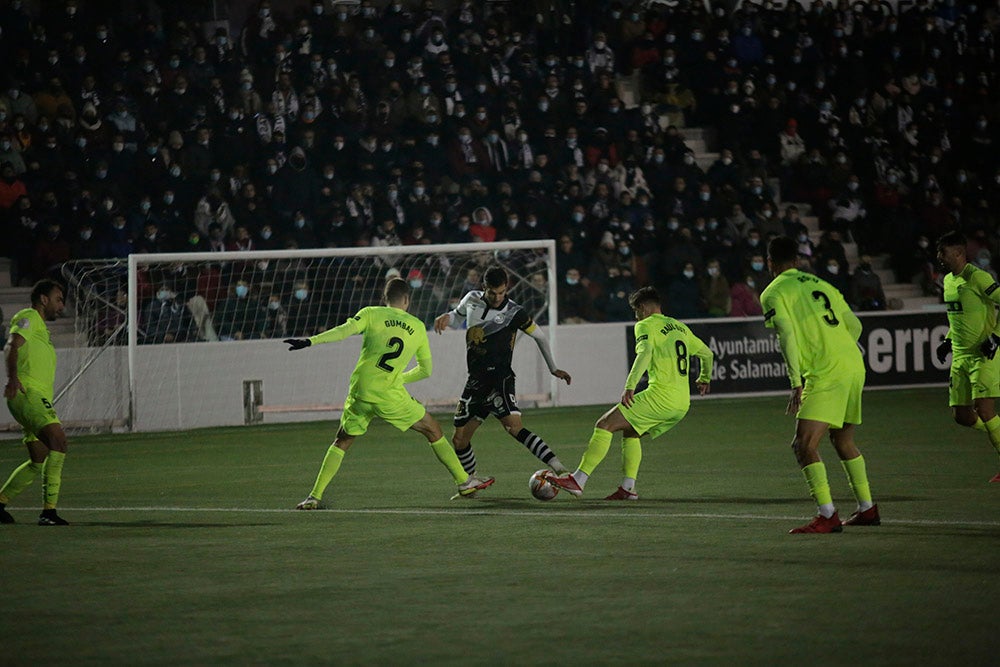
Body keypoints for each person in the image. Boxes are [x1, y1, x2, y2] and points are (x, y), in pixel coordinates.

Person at [286, 278, 494, 508]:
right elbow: (426, 370)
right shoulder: (415, 325)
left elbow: (343, 331)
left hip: (360, 390)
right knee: (433, 430)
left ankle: (314, 496)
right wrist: (399, 378)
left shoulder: (371, 313)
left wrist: (310, 341)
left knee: (342, 441)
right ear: (407, 300)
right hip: (389, 394)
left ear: (385, 298)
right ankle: (464, 482)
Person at [545, 286, 713, 500]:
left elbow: (644, 353)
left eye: (636, 311)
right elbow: (707, 353)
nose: (636, 317)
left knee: (604, 424)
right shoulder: (680, 328)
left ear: (642, 308)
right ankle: (627, 488)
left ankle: (578, 480)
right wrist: (705, 378)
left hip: (660, 397)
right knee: (631, 433)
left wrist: (630, 385)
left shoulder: (645, 325)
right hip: (681, 404)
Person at [760, 236, 879, 533]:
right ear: (797, 261)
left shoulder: (773, 292)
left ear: (770, 263)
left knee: (804, 444)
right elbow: (855, 326)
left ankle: (827, 515)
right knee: (843, 440)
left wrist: (795, 382)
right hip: (852, 364)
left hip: (825, 372)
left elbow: (786, 335)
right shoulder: (821, 284)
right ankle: (867, 509)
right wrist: (838, 349)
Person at [433, 266, 573, 479]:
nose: (498, 297)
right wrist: (446, 317)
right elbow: (457, 315)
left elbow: (541, 336)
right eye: (493, 293)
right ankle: (471, 481)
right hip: (476, 381)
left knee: (514, 428)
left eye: (502, 292)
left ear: (506, 288)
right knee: (460, 439)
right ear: (484, 288)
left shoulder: (515, 312)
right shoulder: (471, 299)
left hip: (500, 378)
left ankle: (560, 469)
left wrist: (553, 368)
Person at [0, 280, 70, 525]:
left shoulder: (41, 329)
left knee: (37, 460)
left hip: (32, 396)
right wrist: (12, 379)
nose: (62, 305)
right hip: (27, 393)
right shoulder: (29, 316)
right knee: (58, 441)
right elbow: (11, 346)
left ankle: (0, 503)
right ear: (43, 299)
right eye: (58, 299)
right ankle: (48, 513)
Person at [935, 231, 1000, 483]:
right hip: (960, 357)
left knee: (984, 410)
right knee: (962, 416)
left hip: (983, 354)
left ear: (959, 253)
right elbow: (959, 316)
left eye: (944, 252)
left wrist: (996, 336)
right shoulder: (950, 280)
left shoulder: (978, 277)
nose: (940, 257)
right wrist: (948, 341)